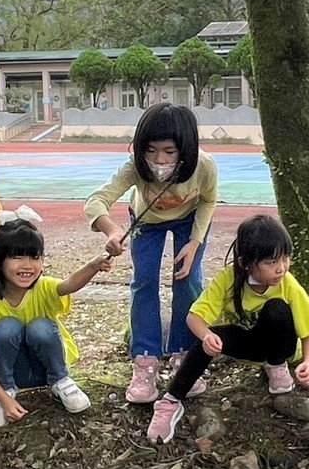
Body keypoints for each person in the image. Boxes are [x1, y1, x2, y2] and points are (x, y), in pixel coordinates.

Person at [84, 102, 218, 404]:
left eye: (169, 152)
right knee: (144, 282)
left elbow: (208, 201)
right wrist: (112, 231)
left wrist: (195, 242)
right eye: (151, 150)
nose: (159, 160)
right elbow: (96, 201)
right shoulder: (135, 167)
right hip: (147, 221)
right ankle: (145, 360)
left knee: (188, 280)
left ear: (186, 148)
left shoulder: (205, 166)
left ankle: (184, 356)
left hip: (190, 220)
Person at [147, 214, 309, 444]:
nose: (281, 268)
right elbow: (194, 317)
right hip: (248, 344)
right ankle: (171, 401)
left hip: (280, 346)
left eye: (285, 258)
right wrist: (207, 335)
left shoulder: (288, 283)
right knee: (205, 342)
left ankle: (276, 367)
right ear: (245, 263)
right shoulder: (229, 279)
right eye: (271, 262)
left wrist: (308, 363)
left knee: (277, 308)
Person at [0, 218, 112, 429]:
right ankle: (5, 392)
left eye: (34, 256)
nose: (27, 265)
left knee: (41, 327)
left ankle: (61, 382)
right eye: (17, 257)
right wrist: (3, 397)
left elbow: (69, 285)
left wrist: (93, 266)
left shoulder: (43, 288)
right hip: (12, 375)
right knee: (6, 328)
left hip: (46, 369)